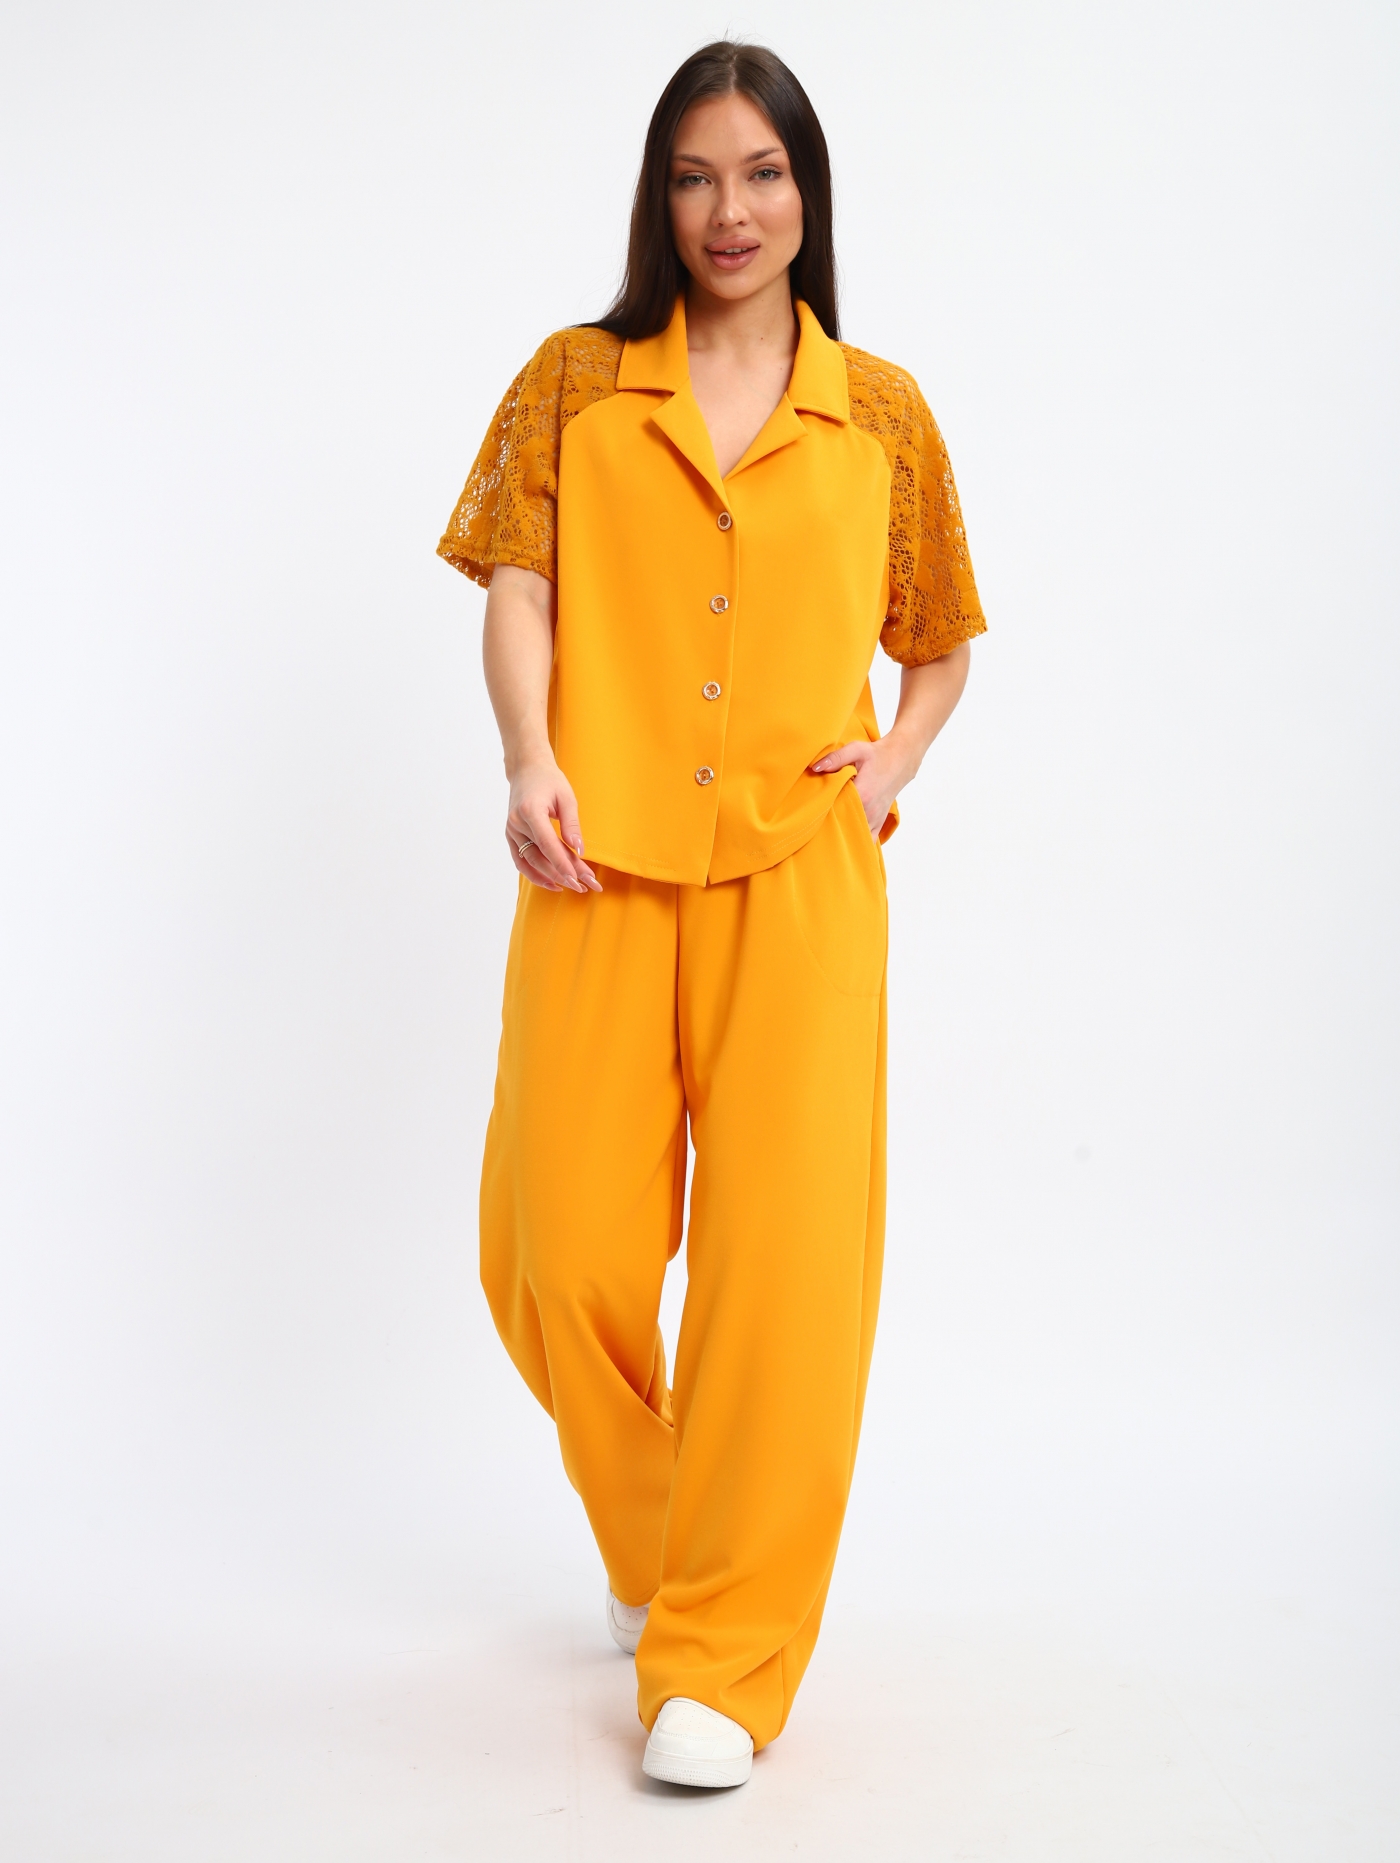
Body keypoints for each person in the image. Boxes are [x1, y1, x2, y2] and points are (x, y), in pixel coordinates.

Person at [437, 39, 985, 1789]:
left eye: (760, 173)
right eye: (693, 176)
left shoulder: (880, 413)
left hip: (800, 886)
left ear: (806, 192)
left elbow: (941, 642)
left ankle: (728, 1663)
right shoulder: (574, 386)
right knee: (555, 1251)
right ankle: (672, 1537)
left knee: (785, 1282)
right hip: (595, 865)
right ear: (656, 197)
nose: (727, 210)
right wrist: (530, 758)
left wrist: (892, 761)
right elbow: (516, 592)